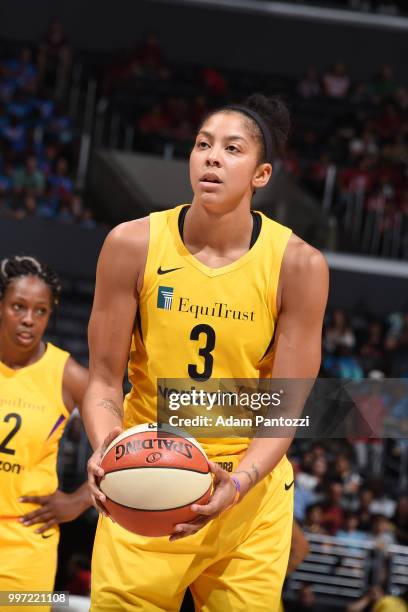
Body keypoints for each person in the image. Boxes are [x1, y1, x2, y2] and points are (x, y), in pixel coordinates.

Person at [84, 93, 329, 611]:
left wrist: (237, 483)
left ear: (261, 175)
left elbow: (285, 410)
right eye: (202, 144)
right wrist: (108, 449)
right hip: (150, 475)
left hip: (246, 492)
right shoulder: (132, 244)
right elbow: (104, 380)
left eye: (232, 149)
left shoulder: (298, 266)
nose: (212, 157)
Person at [0, 255, 91, 610]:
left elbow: (126, 441)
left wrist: (79, 501)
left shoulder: (67, 374)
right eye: (18, 307)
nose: (28, 319)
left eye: (41, 311)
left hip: (28, 546)